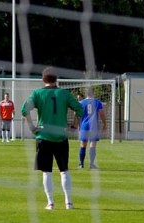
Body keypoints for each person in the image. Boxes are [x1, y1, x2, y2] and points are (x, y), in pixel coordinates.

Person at [21, 67, 83, 210]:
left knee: (46, 171)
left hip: (43, 136)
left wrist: (31, 126)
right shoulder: (64, 93)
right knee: (64, 170)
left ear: (43, 80)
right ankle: (69, 202)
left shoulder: (37, 93)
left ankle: (51, 203)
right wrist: (73, 125)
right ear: (57, 79)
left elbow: (24, 110)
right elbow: (79, 109)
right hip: (61, 136)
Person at [78, 88, 107, 169]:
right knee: (92, 145)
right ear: (93, 93)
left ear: (86, 94)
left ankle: (81, 164)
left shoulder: (82, 102)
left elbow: (77, 114)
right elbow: (101, 113)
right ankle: (91, 164)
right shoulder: (97, 102)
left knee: (83, 145)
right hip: (93, 127)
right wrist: (104, 123)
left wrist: (78, 124)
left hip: (84, 126)